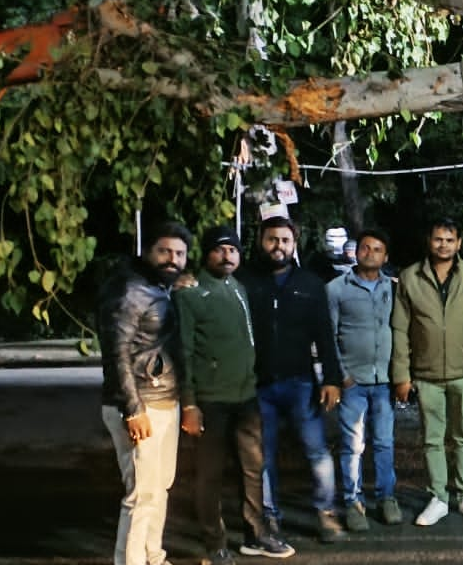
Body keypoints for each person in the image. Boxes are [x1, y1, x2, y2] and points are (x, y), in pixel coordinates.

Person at [176, 226, 292, 564]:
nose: (227, 255)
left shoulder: (239, 287)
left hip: (245, 396)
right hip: (211, 401)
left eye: (233, 250)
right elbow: (183, 351)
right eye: (219, 249)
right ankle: (215, 544)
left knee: (253, 469)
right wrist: (190, 403)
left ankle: (255, 534)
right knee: (209, 475)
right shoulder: (190, 293)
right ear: (207, 254)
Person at [237, 216, 346, 544]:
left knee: (317, 451)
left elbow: (325, 335)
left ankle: (326, 513)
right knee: (262, 455)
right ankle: (268, 516)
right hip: (258, 384)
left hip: (300, 383)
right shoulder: (245, 281)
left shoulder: (310, 284)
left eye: (284, 240)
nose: (278, 246)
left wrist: (331, 379)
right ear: (261, 242)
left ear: (294, 244)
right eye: (272, 239)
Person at [393, 218, 463, 526]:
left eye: (449, 240)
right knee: (432, 439)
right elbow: (400, 330)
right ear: (430, 241)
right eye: (438, 239)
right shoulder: (410, 278)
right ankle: (439, 497)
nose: (443, 245)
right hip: (426, 377)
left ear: (459, 243)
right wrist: (402, 374)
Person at [97, 222, 190, 565]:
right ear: (147, 251)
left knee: (159, 488)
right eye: (164, 251)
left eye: (179, 254)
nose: (172, 259)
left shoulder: (157, 287)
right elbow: (116, 352)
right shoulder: (127, 290)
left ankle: (154, 557)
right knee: (141, 495)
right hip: (140, 405)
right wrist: (132, 409)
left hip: (166, 399)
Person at [327, 229, 401, 530]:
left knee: (384, 442)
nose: (370, 253)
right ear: (356, 252)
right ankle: (353, 501)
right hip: (353, 381)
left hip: (384, 381)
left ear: (386, 256)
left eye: (378, 249)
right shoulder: (336, 289)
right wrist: (340, 375)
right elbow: (328, 334)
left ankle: (386, 498)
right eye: (365, 248)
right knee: (352, 445)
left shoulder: (394, 288)